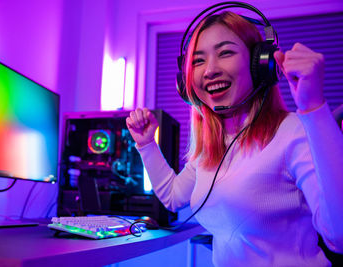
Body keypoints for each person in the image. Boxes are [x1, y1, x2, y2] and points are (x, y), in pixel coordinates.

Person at [126, 10, 343, 266]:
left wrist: (315, 109)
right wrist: (147, 144)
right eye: (198, 61)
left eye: (225, 53)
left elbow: (338, 236)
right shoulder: (211, 148)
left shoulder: (292, 131)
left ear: (259, 64)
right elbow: (173, 197)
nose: (210, 70)